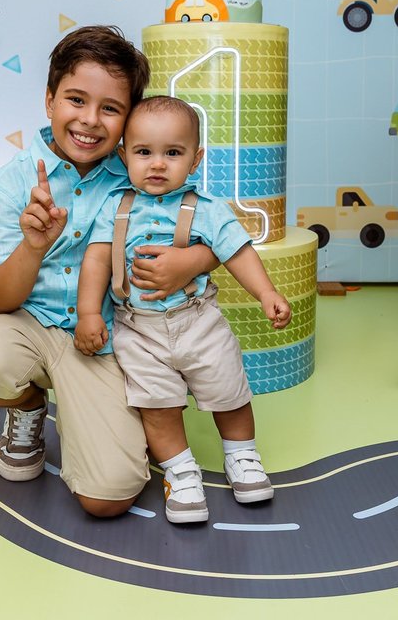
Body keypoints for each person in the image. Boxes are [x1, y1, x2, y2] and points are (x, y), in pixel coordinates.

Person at [0, 27, 218, 518]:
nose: (90, 120)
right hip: (26, 323)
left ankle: (77, 408)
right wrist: (33, 246)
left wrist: (195, 260)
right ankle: (27, 406)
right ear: (49, 100)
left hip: (103, 338)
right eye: (76, 99)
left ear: (128, 117)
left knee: (108, 498)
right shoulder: (15, 181)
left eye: (110, 108)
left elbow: (215, 229)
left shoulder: (143, 172)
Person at [74, 96, 292, 524]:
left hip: (198, 319)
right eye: (144, 152)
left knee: (228, 389)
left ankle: (242, 456)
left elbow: (237, 252)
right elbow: (97, 260)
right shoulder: (116, 207)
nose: (157, 164)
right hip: (138, 329)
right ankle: (180, 470)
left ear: (195, 159)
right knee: (157, 406)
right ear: (124, 155)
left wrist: (266, 293)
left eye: (172, 153)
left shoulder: (207, 209)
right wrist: (89, 314)